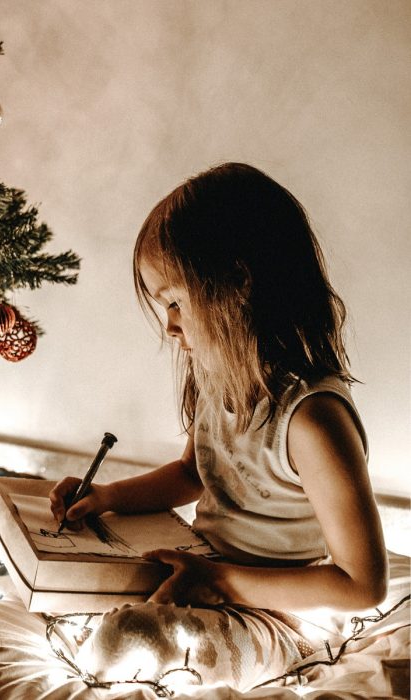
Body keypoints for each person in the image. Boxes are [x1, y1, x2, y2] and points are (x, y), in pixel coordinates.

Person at [50, 162, 388, 615]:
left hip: (273, 609)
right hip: (204, 576)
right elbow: (193, 474)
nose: (169, 326)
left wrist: (221, 582)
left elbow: (362, 586)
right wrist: (108, 497)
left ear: (238, 283)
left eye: (175, 302)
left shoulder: (312, 420)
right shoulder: (217, 379)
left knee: (127, 642)